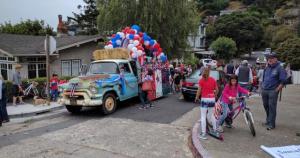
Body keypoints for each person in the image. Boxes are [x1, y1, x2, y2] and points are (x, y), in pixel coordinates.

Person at [261, 53, 286, 130]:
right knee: (266, 106)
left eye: (271, 58)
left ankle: (271, 124)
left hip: (273, 91)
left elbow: (283, 81)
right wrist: (262, 87)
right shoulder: (267, 67)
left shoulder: (280, 68)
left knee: (272, 107)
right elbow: (264, 78)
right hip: (264, 90)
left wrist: (276, 90)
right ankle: (268, 120)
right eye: (268, 58)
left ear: (276, 59)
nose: (269, 59)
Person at [195, 68, 219, 140]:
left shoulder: (201, 80)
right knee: (212, 115)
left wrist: (196, 97)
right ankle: (215, 130)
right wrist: (214, 96)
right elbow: (217, 90)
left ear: (202, 73)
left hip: (204, 99)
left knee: (203, 116)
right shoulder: (213, 79)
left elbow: (199, 90)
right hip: (212, 99)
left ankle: (203, 133)